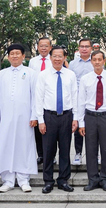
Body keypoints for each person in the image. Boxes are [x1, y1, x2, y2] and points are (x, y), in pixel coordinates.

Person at [0, 43, 38, 193]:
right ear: (8, 56)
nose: (15, 56)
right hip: (6, 118)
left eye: (18, 53)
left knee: (24, 147)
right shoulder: (2, 74)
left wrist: (35, 115)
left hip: (25, 118)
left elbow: (36, 96)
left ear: (23, 56)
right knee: (6, 146)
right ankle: (8, 180)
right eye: (12, 54)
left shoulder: (31, 73)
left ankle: (24, 180)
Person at [36, 45, 78, 194]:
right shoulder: (43, 75)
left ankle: (63, 180)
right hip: (49, 117)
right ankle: (48, 181)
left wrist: (76, 118)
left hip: (66, 116)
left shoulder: (70, 75)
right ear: (50, 57)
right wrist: (40, 120)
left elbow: (75, 96)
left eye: (60, 56)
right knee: (48, 150)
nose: (58, 59)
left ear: (65, 58)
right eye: (55, 56)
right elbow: (38, 98)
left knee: (65, 149)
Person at [78, 50, 106, 192]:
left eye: (100, 59)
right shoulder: (85, 79)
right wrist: (81, 122)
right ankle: (93, 179)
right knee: (90, 148)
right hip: (90, 116)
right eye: (94, 59)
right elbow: (81, 101)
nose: (97, 62)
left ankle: (105, 179)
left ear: (104, 61)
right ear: (91, 61)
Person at [69, 38, 93, 165]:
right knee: (78, 126)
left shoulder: (94, 62)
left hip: (92, 99)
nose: (84, 49)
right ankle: (78, 153)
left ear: (91, 48)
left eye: (87, 46)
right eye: (82, 46)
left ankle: (95, 153)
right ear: (78, 48)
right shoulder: (72, 64)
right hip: (77, 99)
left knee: (93, 128)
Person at [28, 36, 52, 164]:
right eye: (41, 46)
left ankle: (51, 155)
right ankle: (41, 155)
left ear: (50, 47)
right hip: (36, 97)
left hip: (49, 97)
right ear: (37, 47)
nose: (43, 48)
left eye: (46, 46)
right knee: (37, 128)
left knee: (50, 128)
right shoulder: (33, 61)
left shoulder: (54, 60)